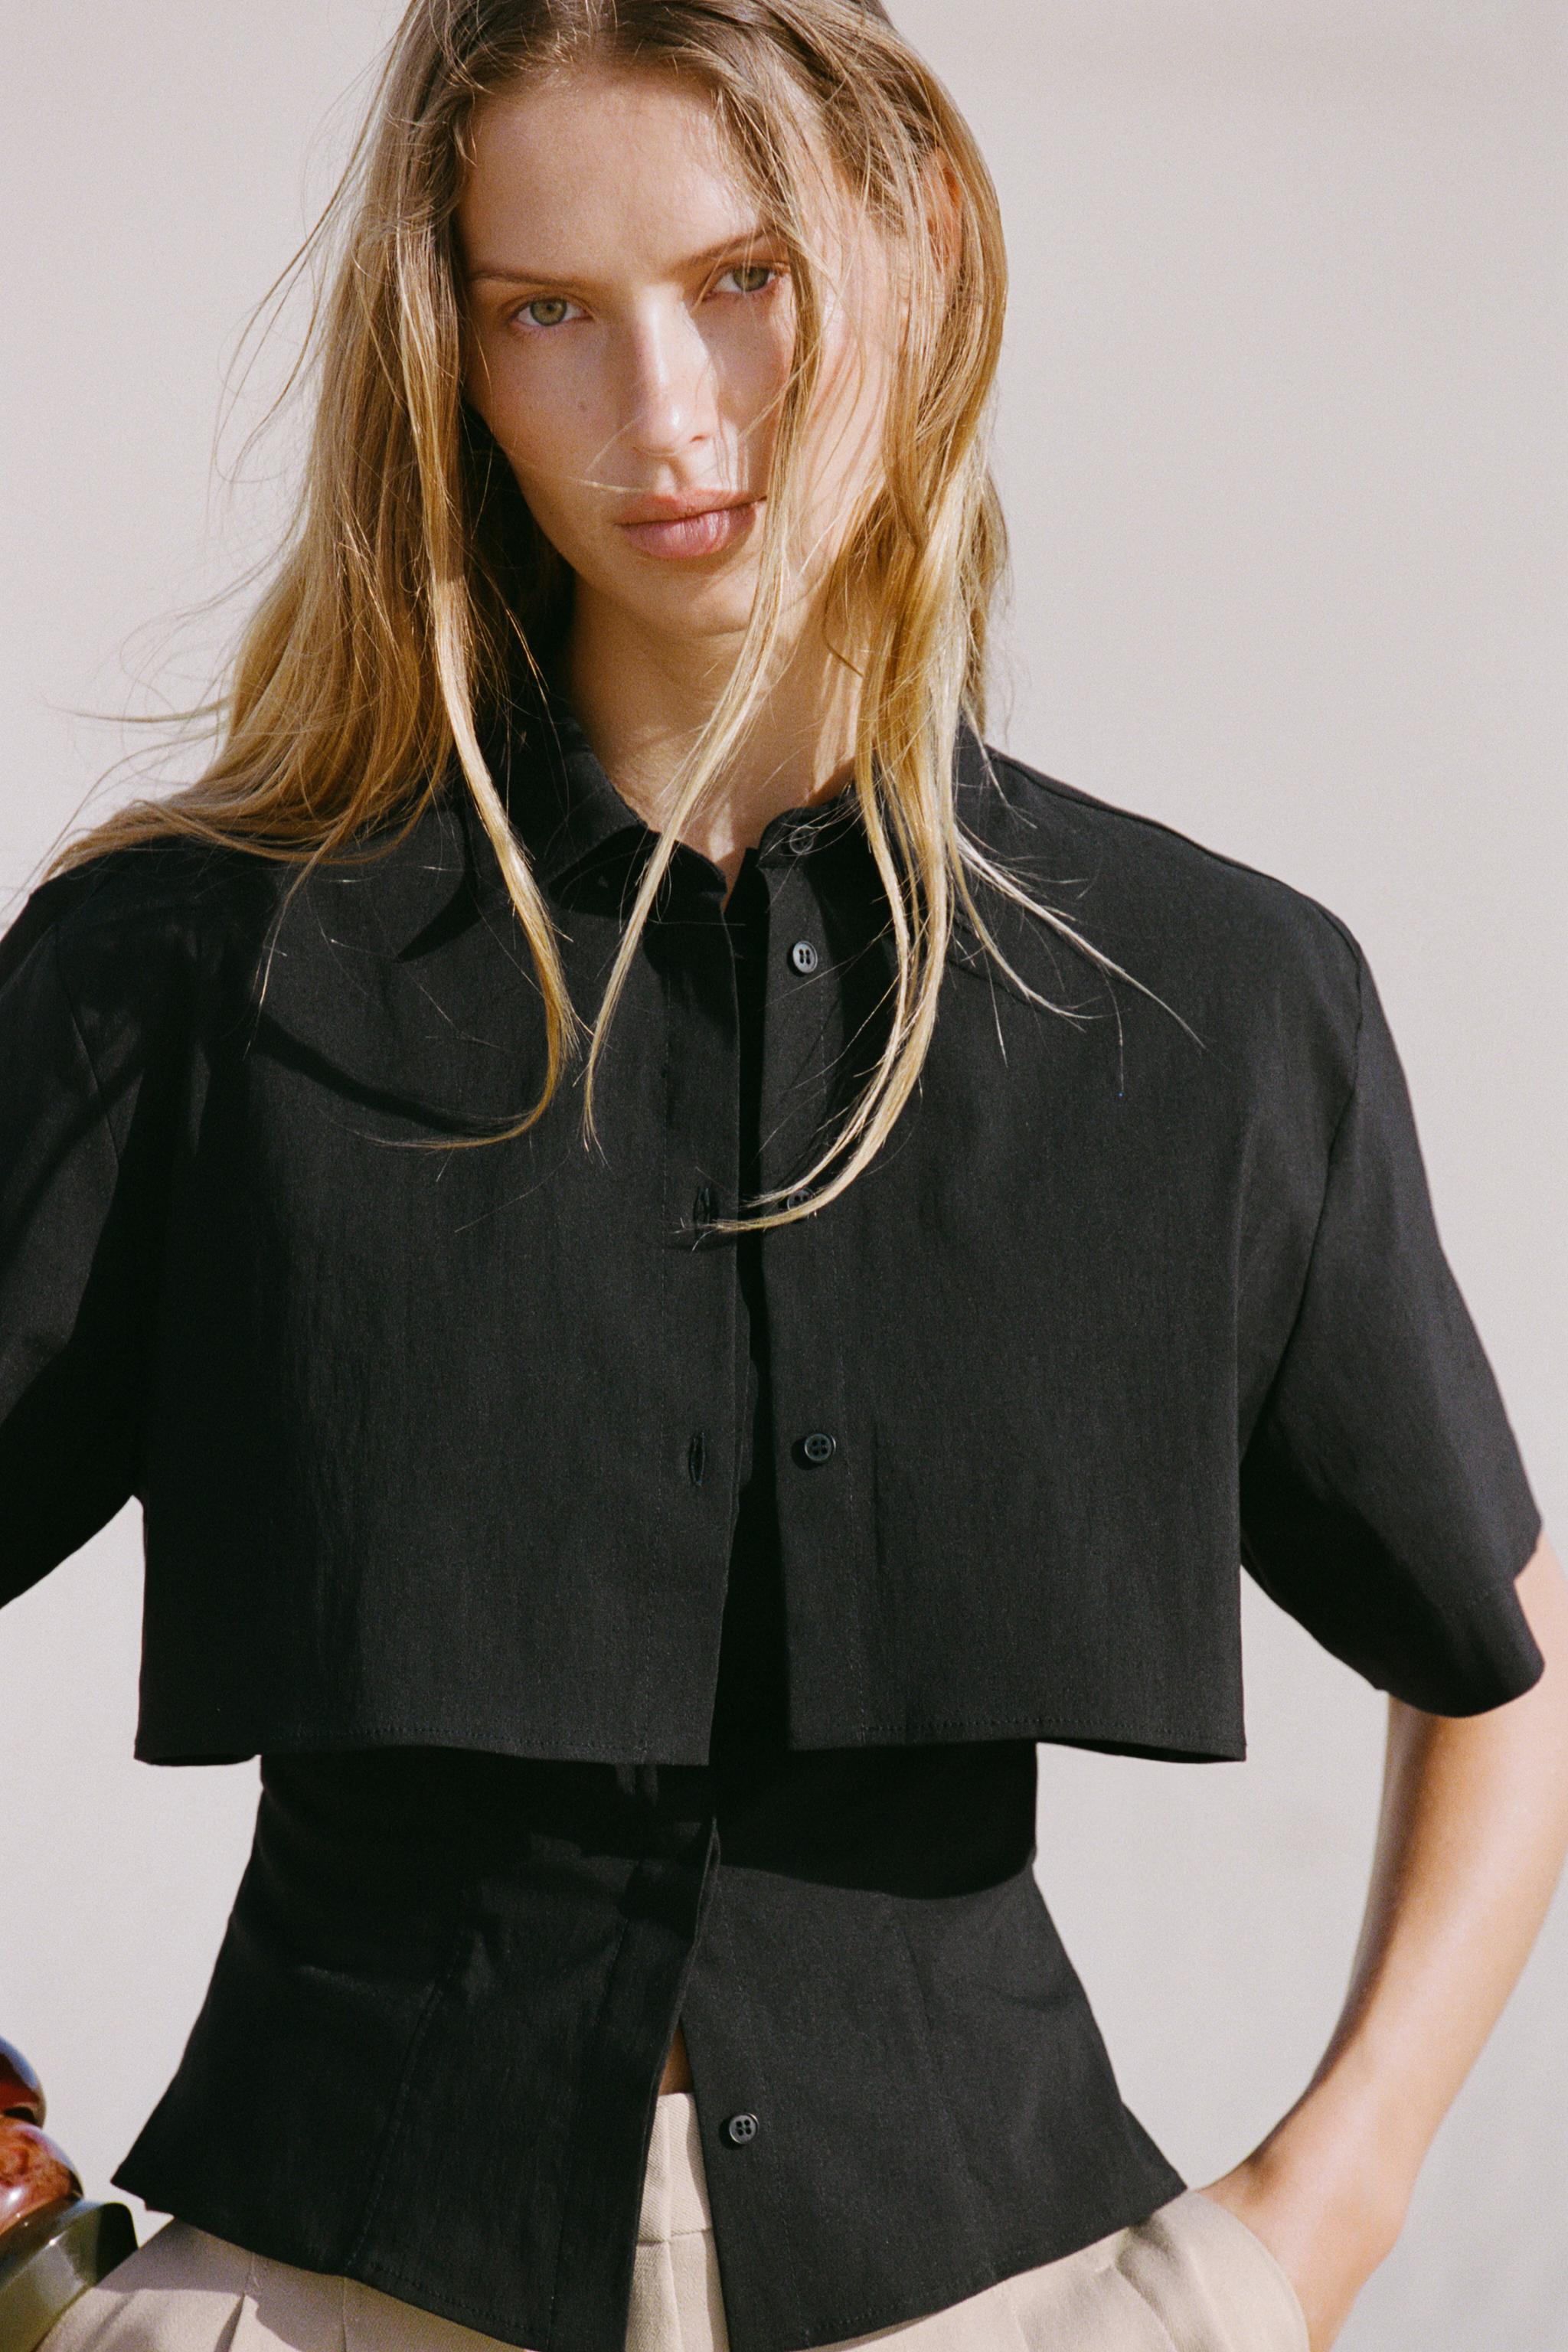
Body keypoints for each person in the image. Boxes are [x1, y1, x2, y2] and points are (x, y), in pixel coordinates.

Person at [2, 5, 1565, 2350]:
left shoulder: (1212, 1003)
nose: (665, 415)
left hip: (1011, 2300)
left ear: (917, 247)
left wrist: (1291, 2246)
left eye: (743, 279)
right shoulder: (195, 982)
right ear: (454, 355)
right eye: (550, 311)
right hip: (319, 2292)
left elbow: (1502, 1654)